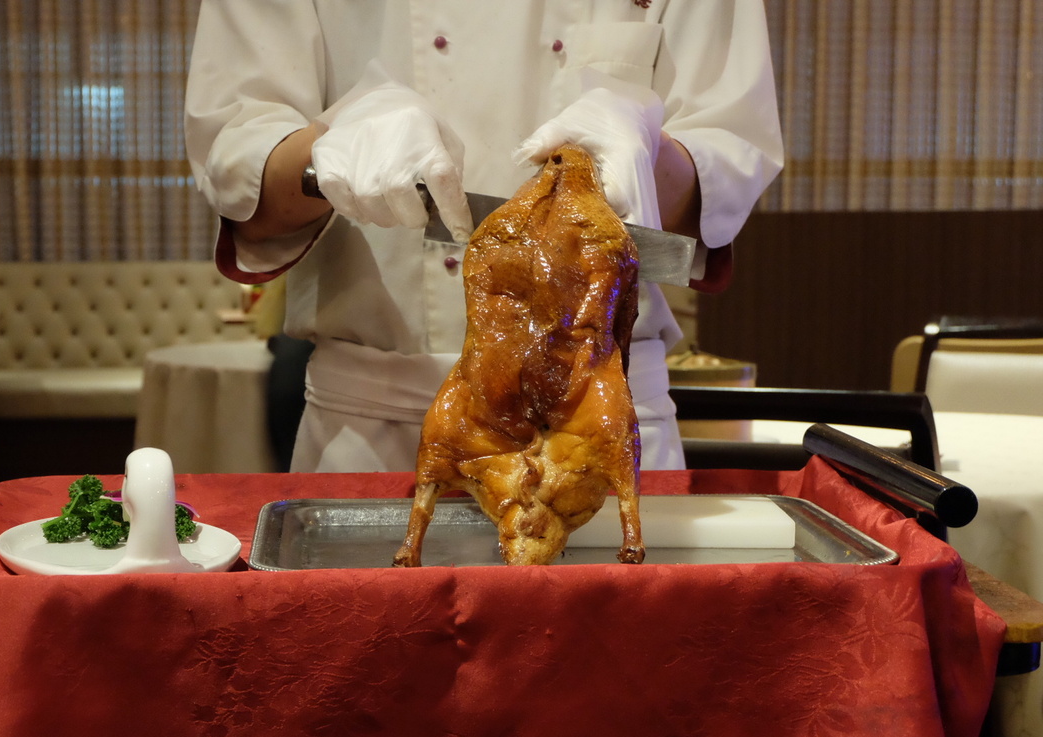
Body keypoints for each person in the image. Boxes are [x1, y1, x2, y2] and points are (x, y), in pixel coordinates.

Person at [184, 2, 783, 473]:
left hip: (598, 423)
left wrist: (646, 149)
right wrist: (327, 149)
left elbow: (728, 154)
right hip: (374, 432)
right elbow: (236, 161)